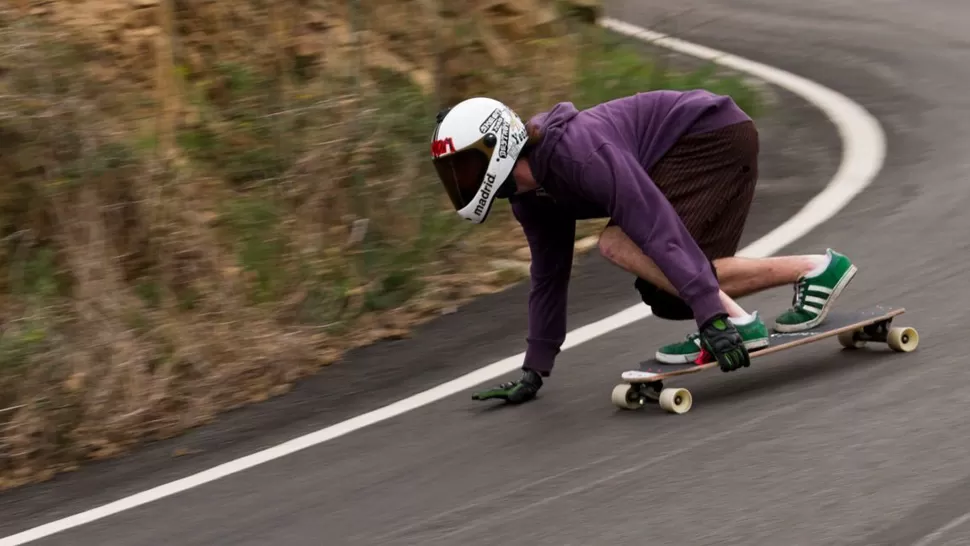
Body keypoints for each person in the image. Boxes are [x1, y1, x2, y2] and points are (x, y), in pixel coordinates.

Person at [429, 91, 857, 404]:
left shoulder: (578, 154)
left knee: (619, 242)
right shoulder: (529, 198)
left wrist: (710, 316)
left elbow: (654, 224)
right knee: (667, 292)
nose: (460, 181)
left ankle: (737, 321)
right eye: (452, 172)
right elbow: (548, 275)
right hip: (694, 148)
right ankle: (818, 270)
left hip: (709, 136)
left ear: (497, 146)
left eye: (464, 167)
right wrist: (535, 368)